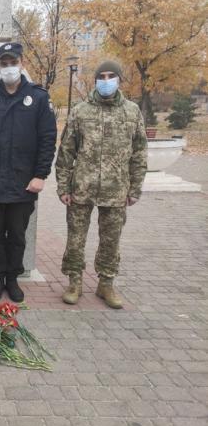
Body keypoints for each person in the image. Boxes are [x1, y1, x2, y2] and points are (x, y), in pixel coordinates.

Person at [56, 60, 147, 309]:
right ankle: (74, 281)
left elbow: (139, 153)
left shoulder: (131, 112)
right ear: (96, 80)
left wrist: (135, 188)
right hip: (82, 189)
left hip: (116, 190)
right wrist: (63, 187)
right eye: (102, 76)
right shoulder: (80, 111)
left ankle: (106, 283)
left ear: (118, 80)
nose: (106, 81)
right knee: (75, 239)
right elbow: (66, 152)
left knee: (111, 240)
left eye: (111, 76)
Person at [0, 43, 57, 303]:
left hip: (24, 183)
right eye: (4, 63)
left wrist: (40, 175)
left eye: (13, 62)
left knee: (18, 235)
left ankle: (13, 278)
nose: (9, 67)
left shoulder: (38, 98)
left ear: (22, 63)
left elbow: (47, 138)